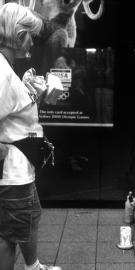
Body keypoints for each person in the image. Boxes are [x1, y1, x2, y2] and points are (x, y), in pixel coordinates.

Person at [0, 3, 61, 270]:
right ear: (18, 34)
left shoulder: (5, 66)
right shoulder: (1, 72)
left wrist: (33, 92)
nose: (32, 42)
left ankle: (33, 267)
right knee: (8, 237)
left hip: (20, 168)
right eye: (31, 36)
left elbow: (11, 108)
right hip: (12, 173)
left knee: (29, 218)